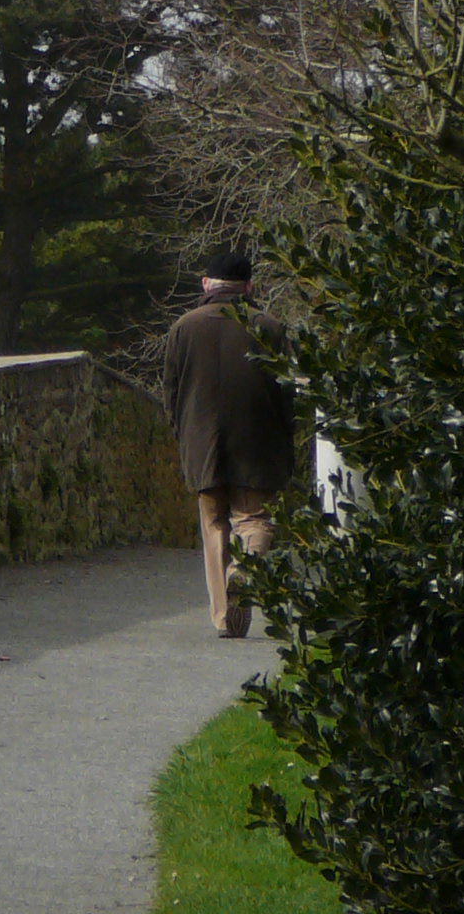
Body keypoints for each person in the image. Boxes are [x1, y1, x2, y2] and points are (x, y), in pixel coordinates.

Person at [161, 249, 294, 637]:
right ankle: (244, 567)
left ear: (206, 284)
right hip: (258, 442)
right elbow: (287, 395)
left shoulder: (183, 328)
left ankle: (224, 619)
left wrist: (183, 437)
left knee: (214, 523)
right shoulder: (270, 327)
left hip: (201, 443)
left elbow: (170, 392)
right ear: (249, 286)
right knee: (254, 520)